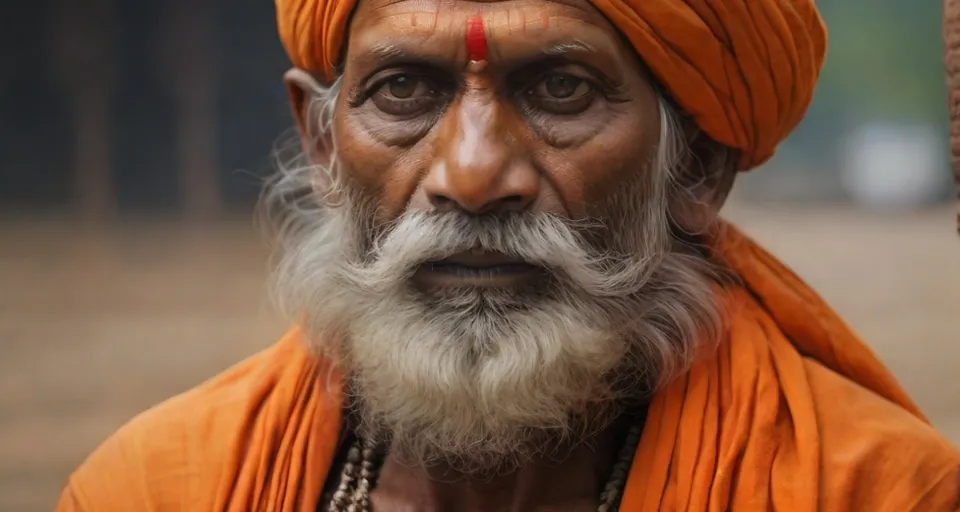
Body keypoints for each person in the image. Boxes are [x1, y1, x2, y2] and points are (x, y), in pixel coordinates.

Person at [57, 0, 960, 510]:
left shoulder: (876, 494)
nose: (474, 175)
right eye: (406, 90)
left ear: (698, 167)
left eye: (561, 89)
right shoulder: (152, 489)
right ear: (324, 148)